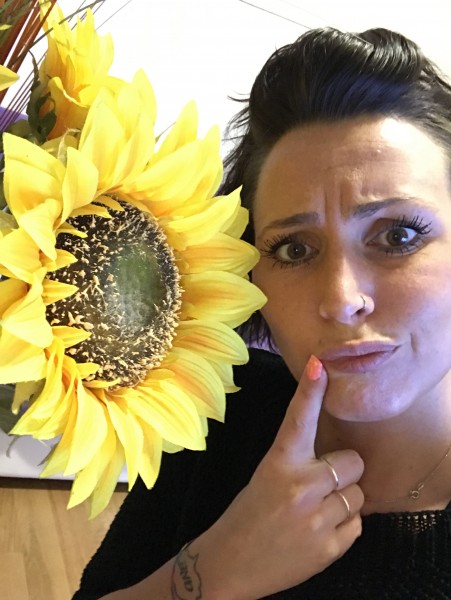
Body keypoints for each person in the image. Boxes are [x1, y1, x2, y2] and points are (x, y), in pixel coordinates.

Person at [73, 27, 451, 599]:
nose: (341, 298)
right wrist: (219, 567)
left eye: (398, 235)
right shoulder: (218, 412)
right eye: (295, 249)